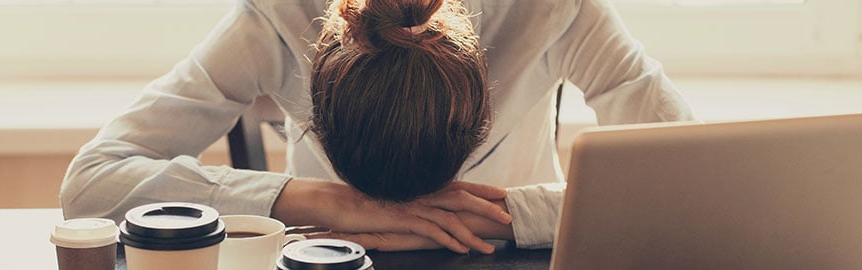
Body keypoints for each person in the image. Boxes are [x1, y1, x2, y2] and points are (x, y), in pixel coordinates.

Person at [61, 0, 694, 254]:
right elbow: (92, 183)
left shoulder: (553, 9)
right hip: (330, 253)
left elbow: (698, 185)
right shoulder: (279, 15)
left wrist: (501, 216)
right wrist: (323, 201)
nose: (411, 208)